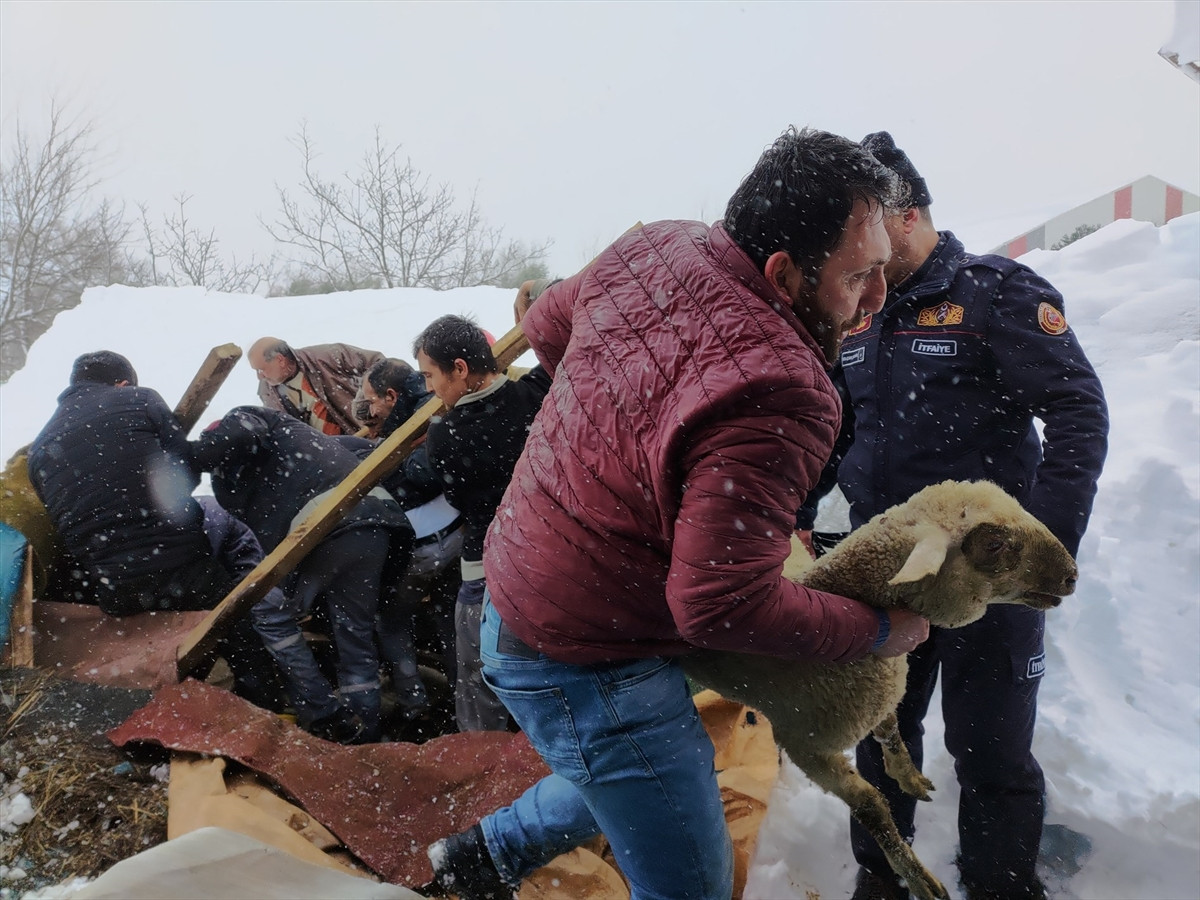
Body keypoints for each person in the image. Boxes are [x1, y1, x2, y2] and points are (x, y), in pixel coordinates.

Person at [424, 127, 930, 900]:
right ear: (783, 271)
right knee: (687, 871)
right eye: (859, 275)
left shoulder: (657, 245)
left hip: (519, 583)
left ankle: (480, 855)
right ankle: (490, 853)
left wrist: (633, 435)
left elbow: (553, 331)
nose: (877, 299)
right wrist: (879, 630)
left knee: (625, 772)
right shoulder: (787, 389)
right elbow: (722, 605)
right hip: (587, 651)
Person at [821, 132, 1108, 900]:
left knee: (991, 753)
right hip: (889, 576)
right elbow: (843, 426)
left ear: (905, 215)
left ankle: (1000, 884)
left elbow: (1078, 412)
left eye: (867, 234)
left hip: (985, 582)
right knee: (883, 740)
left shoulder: (995, 294)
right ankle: (884, 880)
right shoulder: (860, 310)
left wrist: (1037, 546)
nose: (862, 258)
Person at [26, 351, 283, 710]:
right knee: (234, 627)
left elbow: (66, 525)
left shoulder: (39, 450)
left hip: (113, 588)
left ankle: (166, 716)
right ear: (122, 382)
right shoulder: (138, 398)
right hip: (178, 562)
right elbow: (182, 474)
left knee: (167, 651)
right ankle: (267, 709)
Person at [193, 404, 415, 742]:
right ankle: (367, 734)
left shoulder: (246, 428)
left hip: (327, 530)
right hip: (376, 524)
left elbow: (264, 541)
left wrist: (189, 456)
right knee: (355, 639)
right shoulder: (296, 438)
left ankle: (323, 709)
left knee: (270, 613)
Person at [412, 315, 552, 734]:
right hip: (550, 560)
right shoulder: (537, 394)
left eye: (430, 375)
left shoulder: (445, 436)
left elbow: (459, 500)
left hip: (487, 570)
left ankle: (484, 765)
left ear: (459, 368)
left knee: (479, 678)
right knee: (550, 676)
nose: (429, 389)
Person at [347, 357, 464, 722]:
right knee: (451, 620)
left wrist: (389, 464)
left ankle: (415, 704)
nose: (368, 407)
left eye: (372, 399)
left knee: (392, 620)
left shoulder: (422, 425)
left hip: (424, 547)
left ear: (392, 396)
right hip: (457, 534)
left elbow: (424, 473)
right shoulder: (428, 402)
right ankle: (464, 699)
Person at [247, 337, 384, 436]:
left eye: (261, 369)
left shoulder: (326, 357)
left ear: (280, 360)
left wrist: (368, 403)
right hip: (336, 457)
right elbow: (283, 433)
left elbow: (380, 365)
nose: (259, 377)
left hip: (373, 434)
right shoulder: (267, 392)